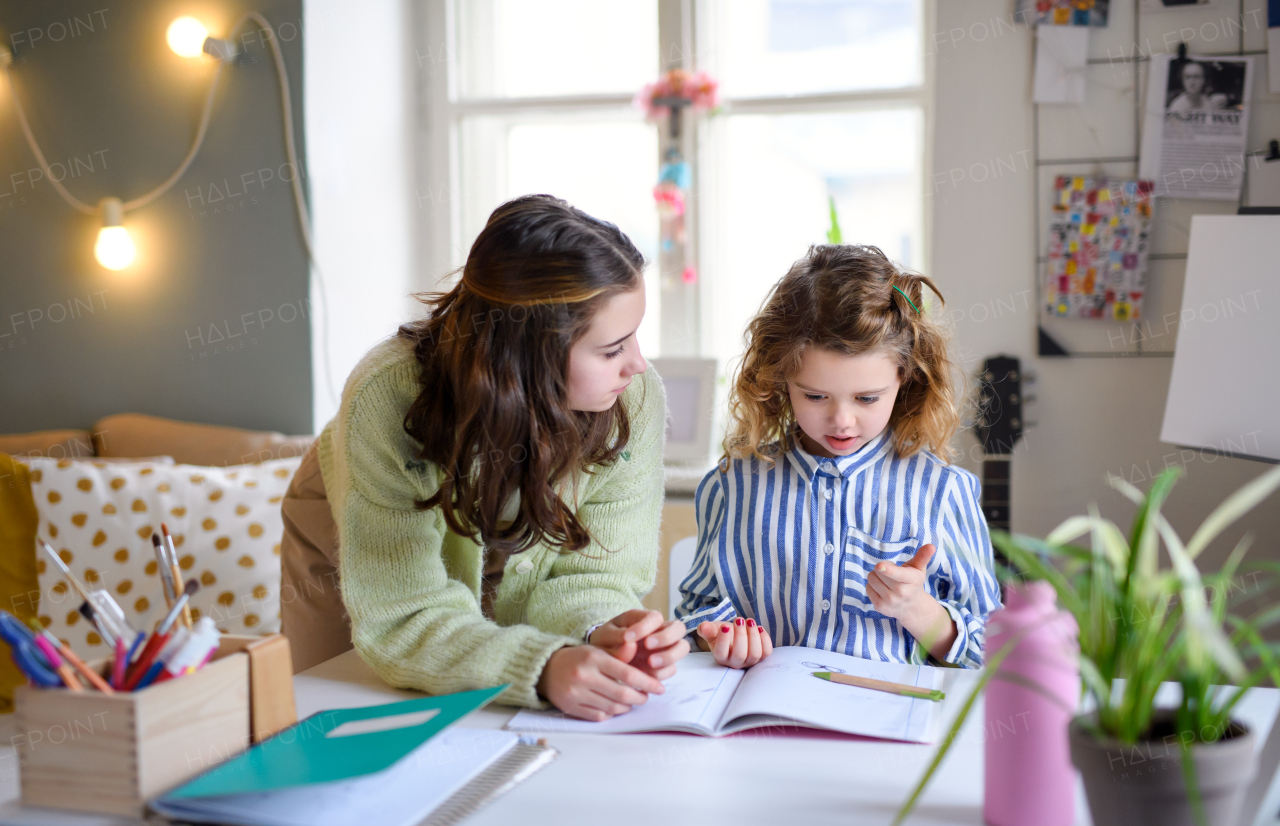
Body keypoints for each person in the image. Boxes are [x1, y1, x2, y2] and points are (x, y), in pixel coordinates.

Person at [280, 195, 690, 721]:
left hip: (497, 506)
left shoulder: (631, 398)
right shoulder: (387, 399)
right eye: (611, 349)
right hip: (350, 520)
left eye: (635, 337)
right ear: (525, 354)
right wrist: (540, 667)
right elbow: (402, 617)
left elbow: (594, 575)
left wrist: (599, 627)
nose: (637, 364)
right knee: (343, 707)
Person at [675, 244, 1001, 669]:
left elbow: (993, 652)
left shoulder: (941, 491)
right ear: (781, 380)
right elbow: (693, 615)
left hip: (887, 724)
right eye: (815, 396)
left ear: (905, 378)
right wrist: (717, 637)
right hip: (762, 724)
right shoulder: (733, 485)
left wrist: (918, 610)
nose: (841, 420)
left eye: (867, 398)